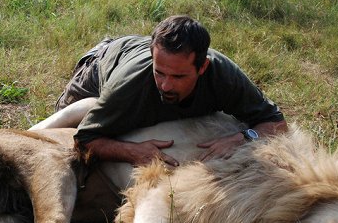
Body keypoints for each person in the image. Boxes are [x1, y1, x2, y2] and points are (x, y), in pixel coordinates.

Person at [36, 15, 287, 167]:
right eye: (160, 72)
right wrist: (133, 151)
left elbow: (276, 122)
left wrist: (242, 137)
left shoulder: (224, 75)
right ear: (152, 59)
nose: (166, 85)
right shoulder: (130, 82)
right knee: (66, 131)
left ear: (202, 67)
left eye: (178, 76)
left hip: (132, 55)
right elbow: (83, 139)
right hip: (99, 65)